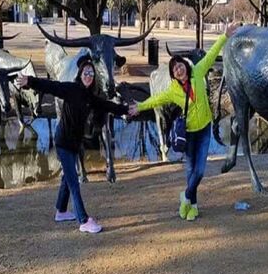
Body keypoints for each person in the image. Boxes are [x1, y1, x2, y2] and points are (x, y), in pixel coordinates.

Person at [128, 23, 240, 221]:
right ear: (173, 75)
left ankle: (186, 196)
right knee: (190, 170)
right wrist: (141, 106)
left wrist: (224, 36)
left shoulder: (198, 71)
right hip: (188, 133)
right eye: (175, 69)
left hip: (204, 129)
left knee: (200, 171)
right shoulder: (173, 90)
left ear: (185, 66)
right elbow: (157, 99)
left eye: (179, 65)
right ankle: (193, 206)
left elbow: (212, 54)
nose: (178, 70)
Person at [16, 55, 128, 234]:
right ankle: (83, 220)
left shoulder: (89, 96)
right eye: (86, 73)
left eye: (91, 73)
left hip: (75, 144)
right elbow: (51, 86)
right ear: (80, 74)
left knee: (67, 178)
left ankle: (61, 211)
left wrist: (126, 110)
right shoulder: (71, 89)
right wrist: (30, 81)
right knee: (74, 181)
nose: (88, 76)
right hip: (63, 142)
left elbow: (107, 105)